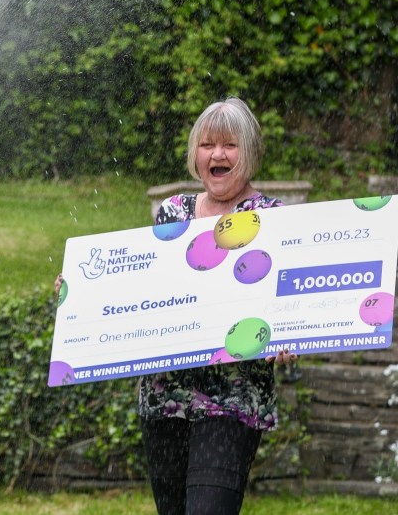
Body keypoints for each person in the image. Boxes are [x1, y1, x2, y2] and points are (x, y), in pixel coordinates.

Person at [54, 96, 296, 515]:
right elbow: (145, 287)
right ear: (195, 155)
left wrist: (292, 335)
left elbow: (288, 303)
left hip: (232, 400)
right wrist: (80, 290)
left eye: (230, 145)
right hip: (165, 399)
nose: (217, 154)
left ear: (250, 152)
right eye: (207, 145)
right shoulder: (173, 213)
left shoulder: (272, 218)